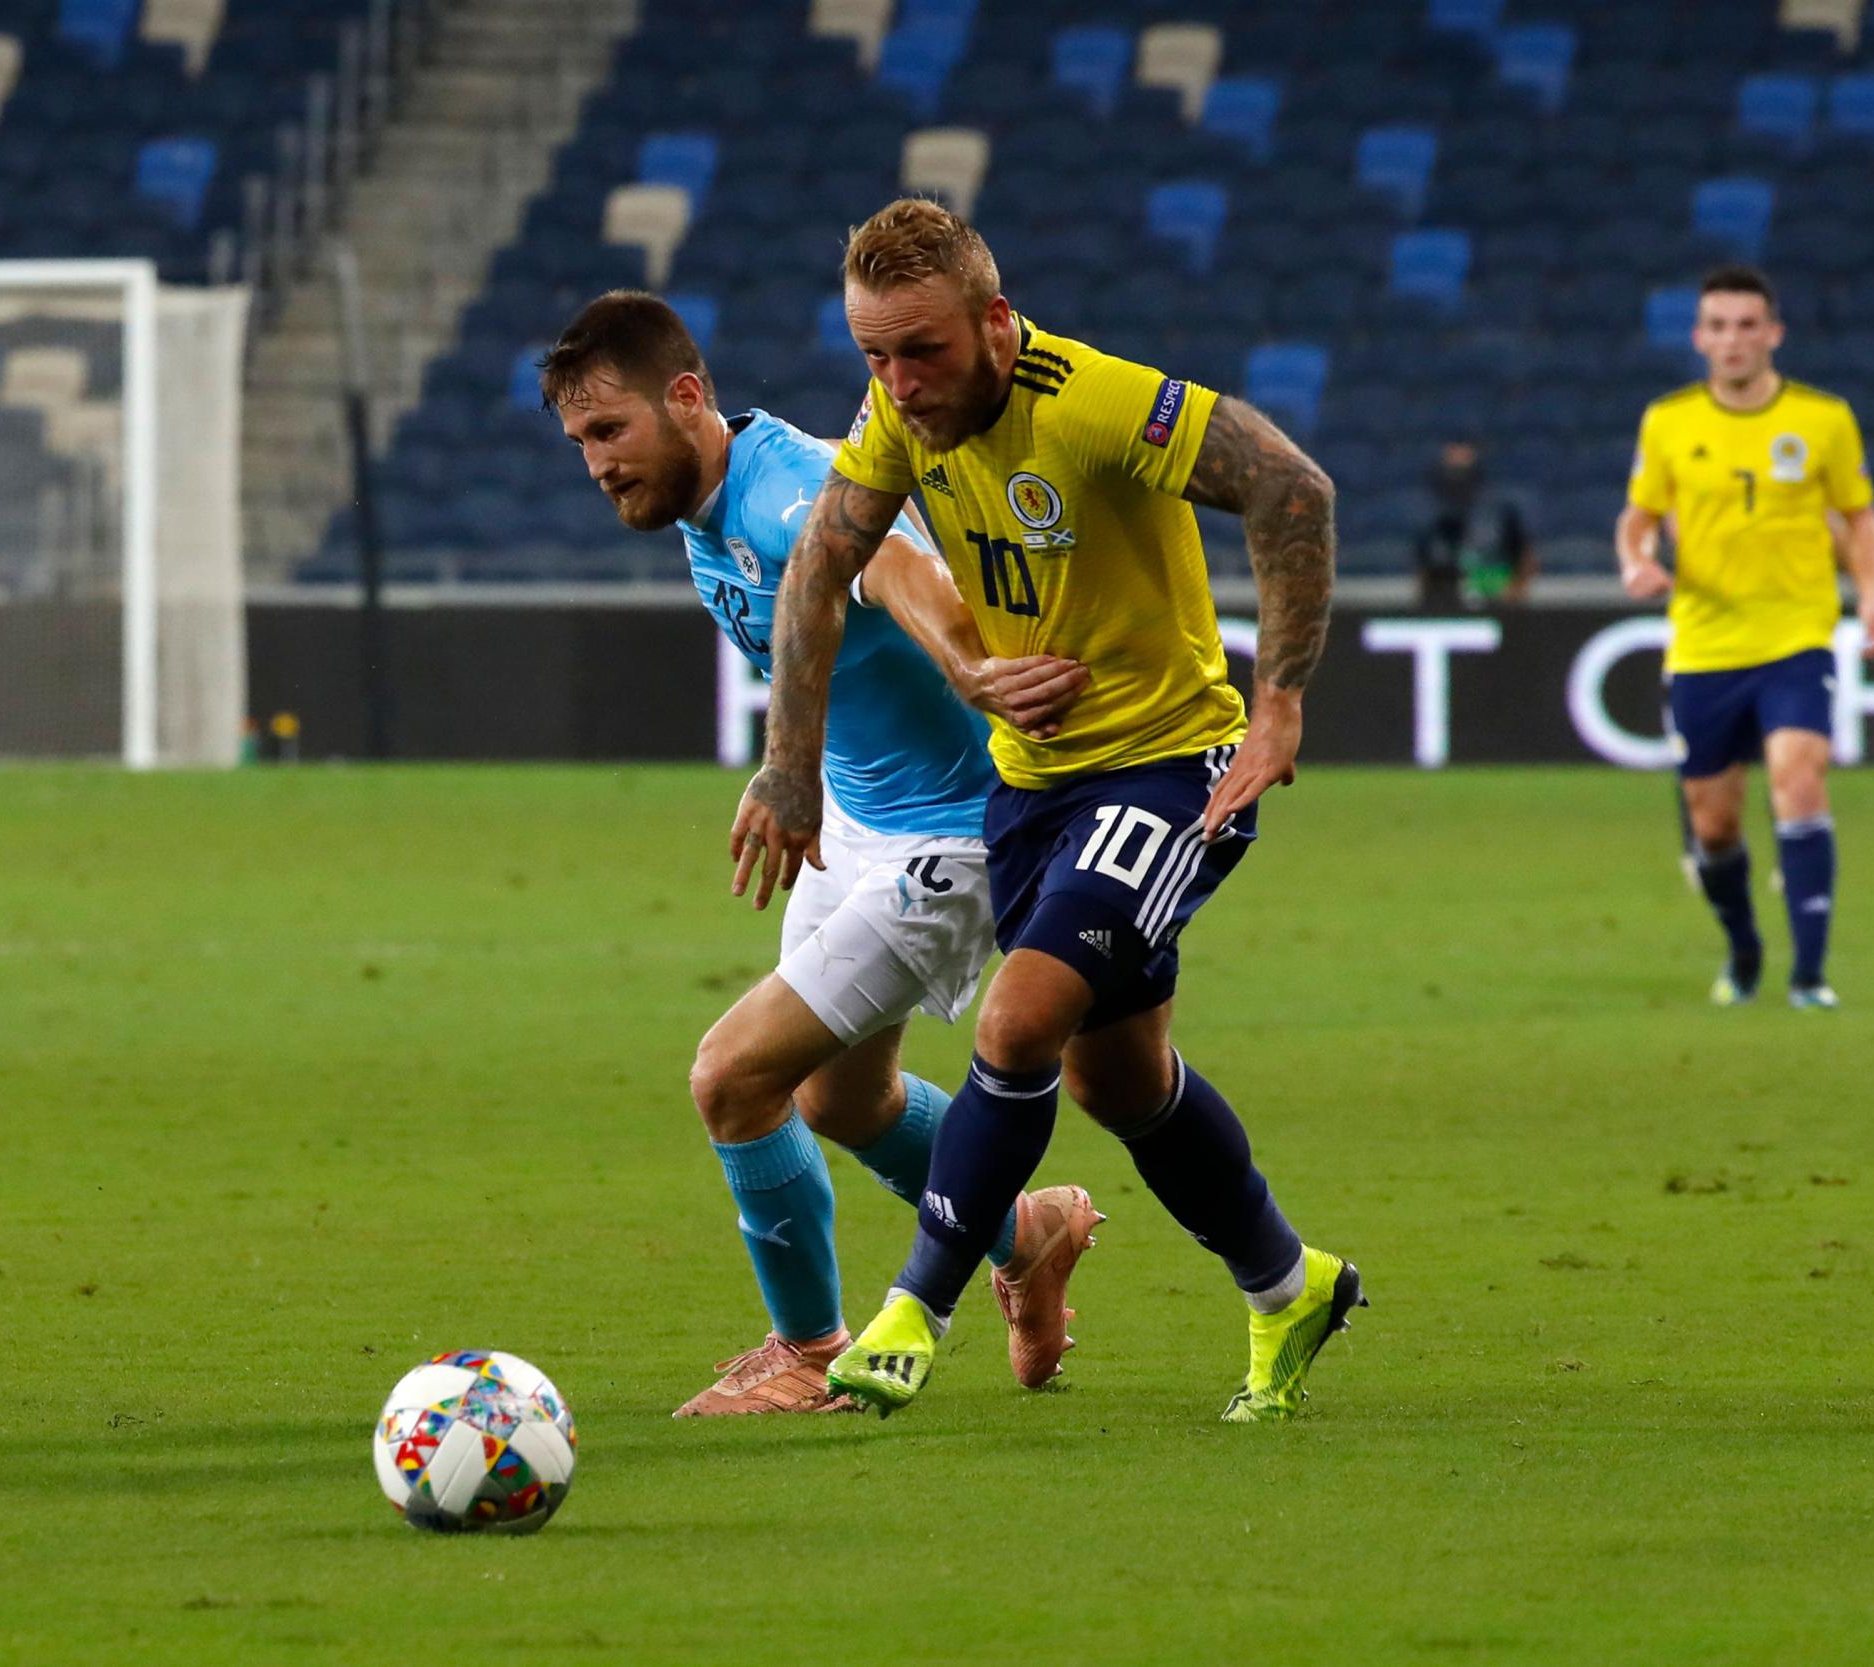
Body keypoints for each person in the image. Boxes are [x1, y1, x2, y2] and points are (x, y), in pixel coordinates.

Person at [729, 199, 1363, 1424]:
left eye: (925, 351)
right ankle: (1291, 1285)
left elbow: (1293, 488)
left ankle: (916, 1306)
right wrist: (788, 765)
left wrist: (1277, 699)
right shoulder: (896, 422)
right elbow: (820, 561)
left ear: (998, 325)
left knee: (1016, 1020)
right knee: (1117, 1080)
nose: (901, 383)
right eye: (874, 355)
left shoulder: (1097, 402)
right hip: (1030, 785)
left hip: (1175, 770)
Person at [540, 290, 1103, 1415]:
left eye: (610, 431)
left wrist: (967, 668)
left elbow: (899, 568)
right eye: (578, 444)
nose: (597, 464)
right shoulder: (704, 509)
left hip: (955, 835)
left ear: (687, 397)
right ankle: (1027, 1231)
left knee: (732, 1077)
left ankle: (806, 1350)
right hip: (853, 824)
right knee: (843, 1101)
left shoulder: (791, 488)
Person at [1614, 265, 1874, 1011]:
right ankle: (1744, 949)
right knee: (1714, 823)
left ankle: (1810, 974)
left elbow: (1859, 515)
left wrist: (1870, 593)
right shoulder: (1668, 421)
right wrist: (1635, 561)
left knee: (1799, 778)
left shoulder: (1823, 418)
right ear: (1700, 337)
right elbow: (1638, 516)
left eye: (1748, 325)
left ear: (1773, 333)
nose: (1733, 339)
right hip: (1704, 643)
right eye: (1719, 325)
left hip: (1798, 632)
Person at [1411, 440, 1532, 609]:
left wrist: (1515, 592)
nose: (1458, 480)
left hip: (1495, 597)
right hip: (1447, 601)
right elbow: (1424, 567)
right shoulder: (1433, 516)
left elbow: (1525, 555)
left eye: (1463, 473)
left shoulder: (1499, 511)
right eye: (1452, 473)